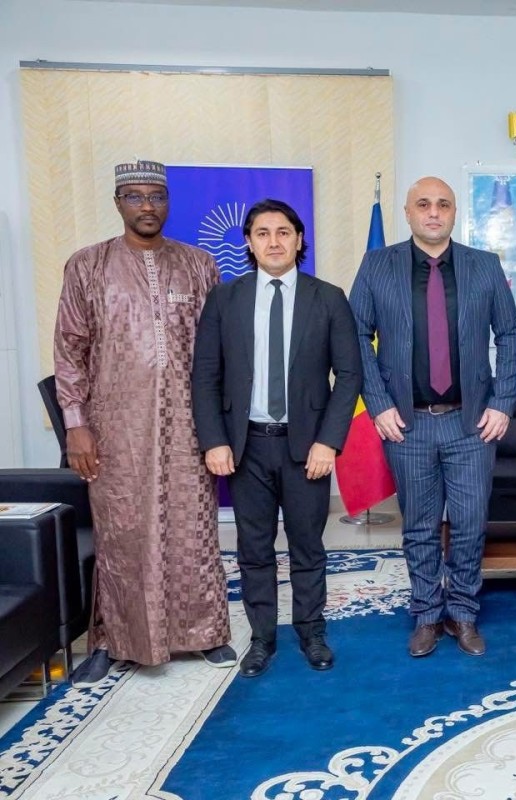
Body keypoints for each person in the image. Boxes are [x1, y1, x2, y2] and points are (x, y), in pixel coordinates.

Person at [53, 160, 235, 687]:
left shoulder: (199, 265)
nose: (147, 206)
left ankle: (204, 632)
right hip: (116, 424)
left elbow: (218, 350)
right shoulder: (87, 265)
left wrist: (220, 425)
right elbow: (69, 348)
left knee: (193, 525)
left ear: (169, 202)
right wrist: (76, 423)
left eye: (156, 196)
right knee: (121, 531)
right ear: (118, 203)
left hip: (188, 422)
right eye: (134, 197)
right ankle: (114, 639)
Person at [349, 176, 516, 658]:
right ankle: (426, 614)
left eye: (443, 204)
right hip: (407, 423)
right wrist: (378, 403)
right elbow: (355, 334)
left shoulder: (484, 266)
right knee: (420, 526)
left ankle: (462, 612)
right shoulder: (377, 265)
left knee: (469, 524)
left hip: (471, 423)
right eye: (423, 204)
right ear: (407, 212)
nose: (433, 212)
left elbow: (510, 334)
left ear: (454, 213)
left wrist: (502, 402)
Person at [192, 198, 362, 678]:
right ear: (248, 242)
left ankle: (311, 632)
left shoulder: (327, 298)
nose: (273, 241)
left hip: (307, 447)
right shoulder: (224, 299)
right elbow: (205, 375)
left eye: (283, 232)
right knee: (254, 549)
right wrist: (214, 440)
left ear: (299, 239)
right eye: (262, 233)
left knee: (308, 545)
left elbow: (349, 375)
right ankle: (262, 638)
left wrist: (329, 441)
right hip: (245, 447)